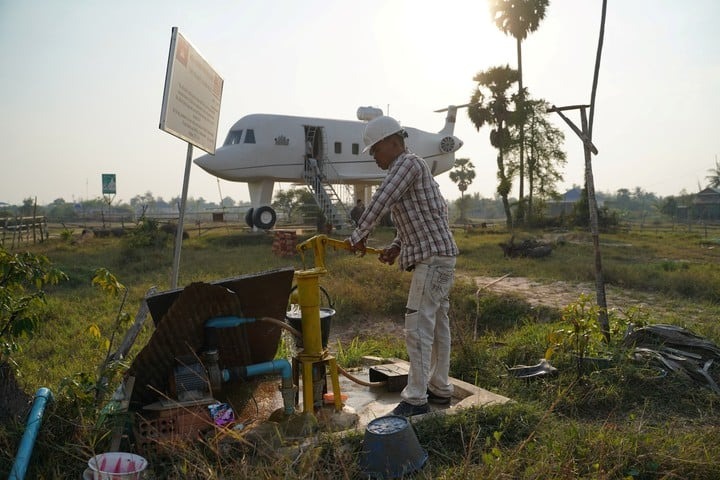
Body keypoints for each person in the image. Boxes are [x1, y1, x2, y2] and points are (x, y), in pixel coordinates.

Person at [346, 116, 458, 417]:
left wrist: (358, 235)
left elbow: (382, 198)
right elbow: (426, 215)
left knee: (418, 327)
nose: (374, 157)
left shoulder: (406, 165)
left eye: (375, 150)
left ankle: (416, 399)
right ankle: (439, 388)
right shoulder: (415, 168)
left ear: (392, 142)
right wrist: (397, 246)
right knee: (436, 329)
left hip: (432, 261)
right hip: (440, 257)